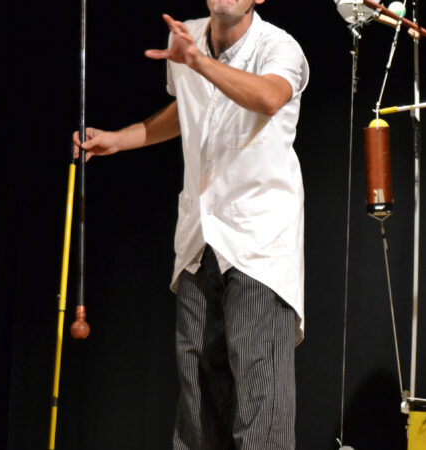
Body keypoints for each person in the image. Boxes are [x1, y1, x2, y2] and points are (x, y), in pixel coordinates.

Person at [73, 1, 309, 448]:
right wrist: (121, 139)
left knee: (260, 399)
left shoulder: (278, 46)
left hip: (259, 243)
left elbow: (268, 97)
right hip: (200, 239)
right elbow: (189, 109)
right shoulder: (186, 38)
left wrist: (198, 62)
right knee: (198, 398)